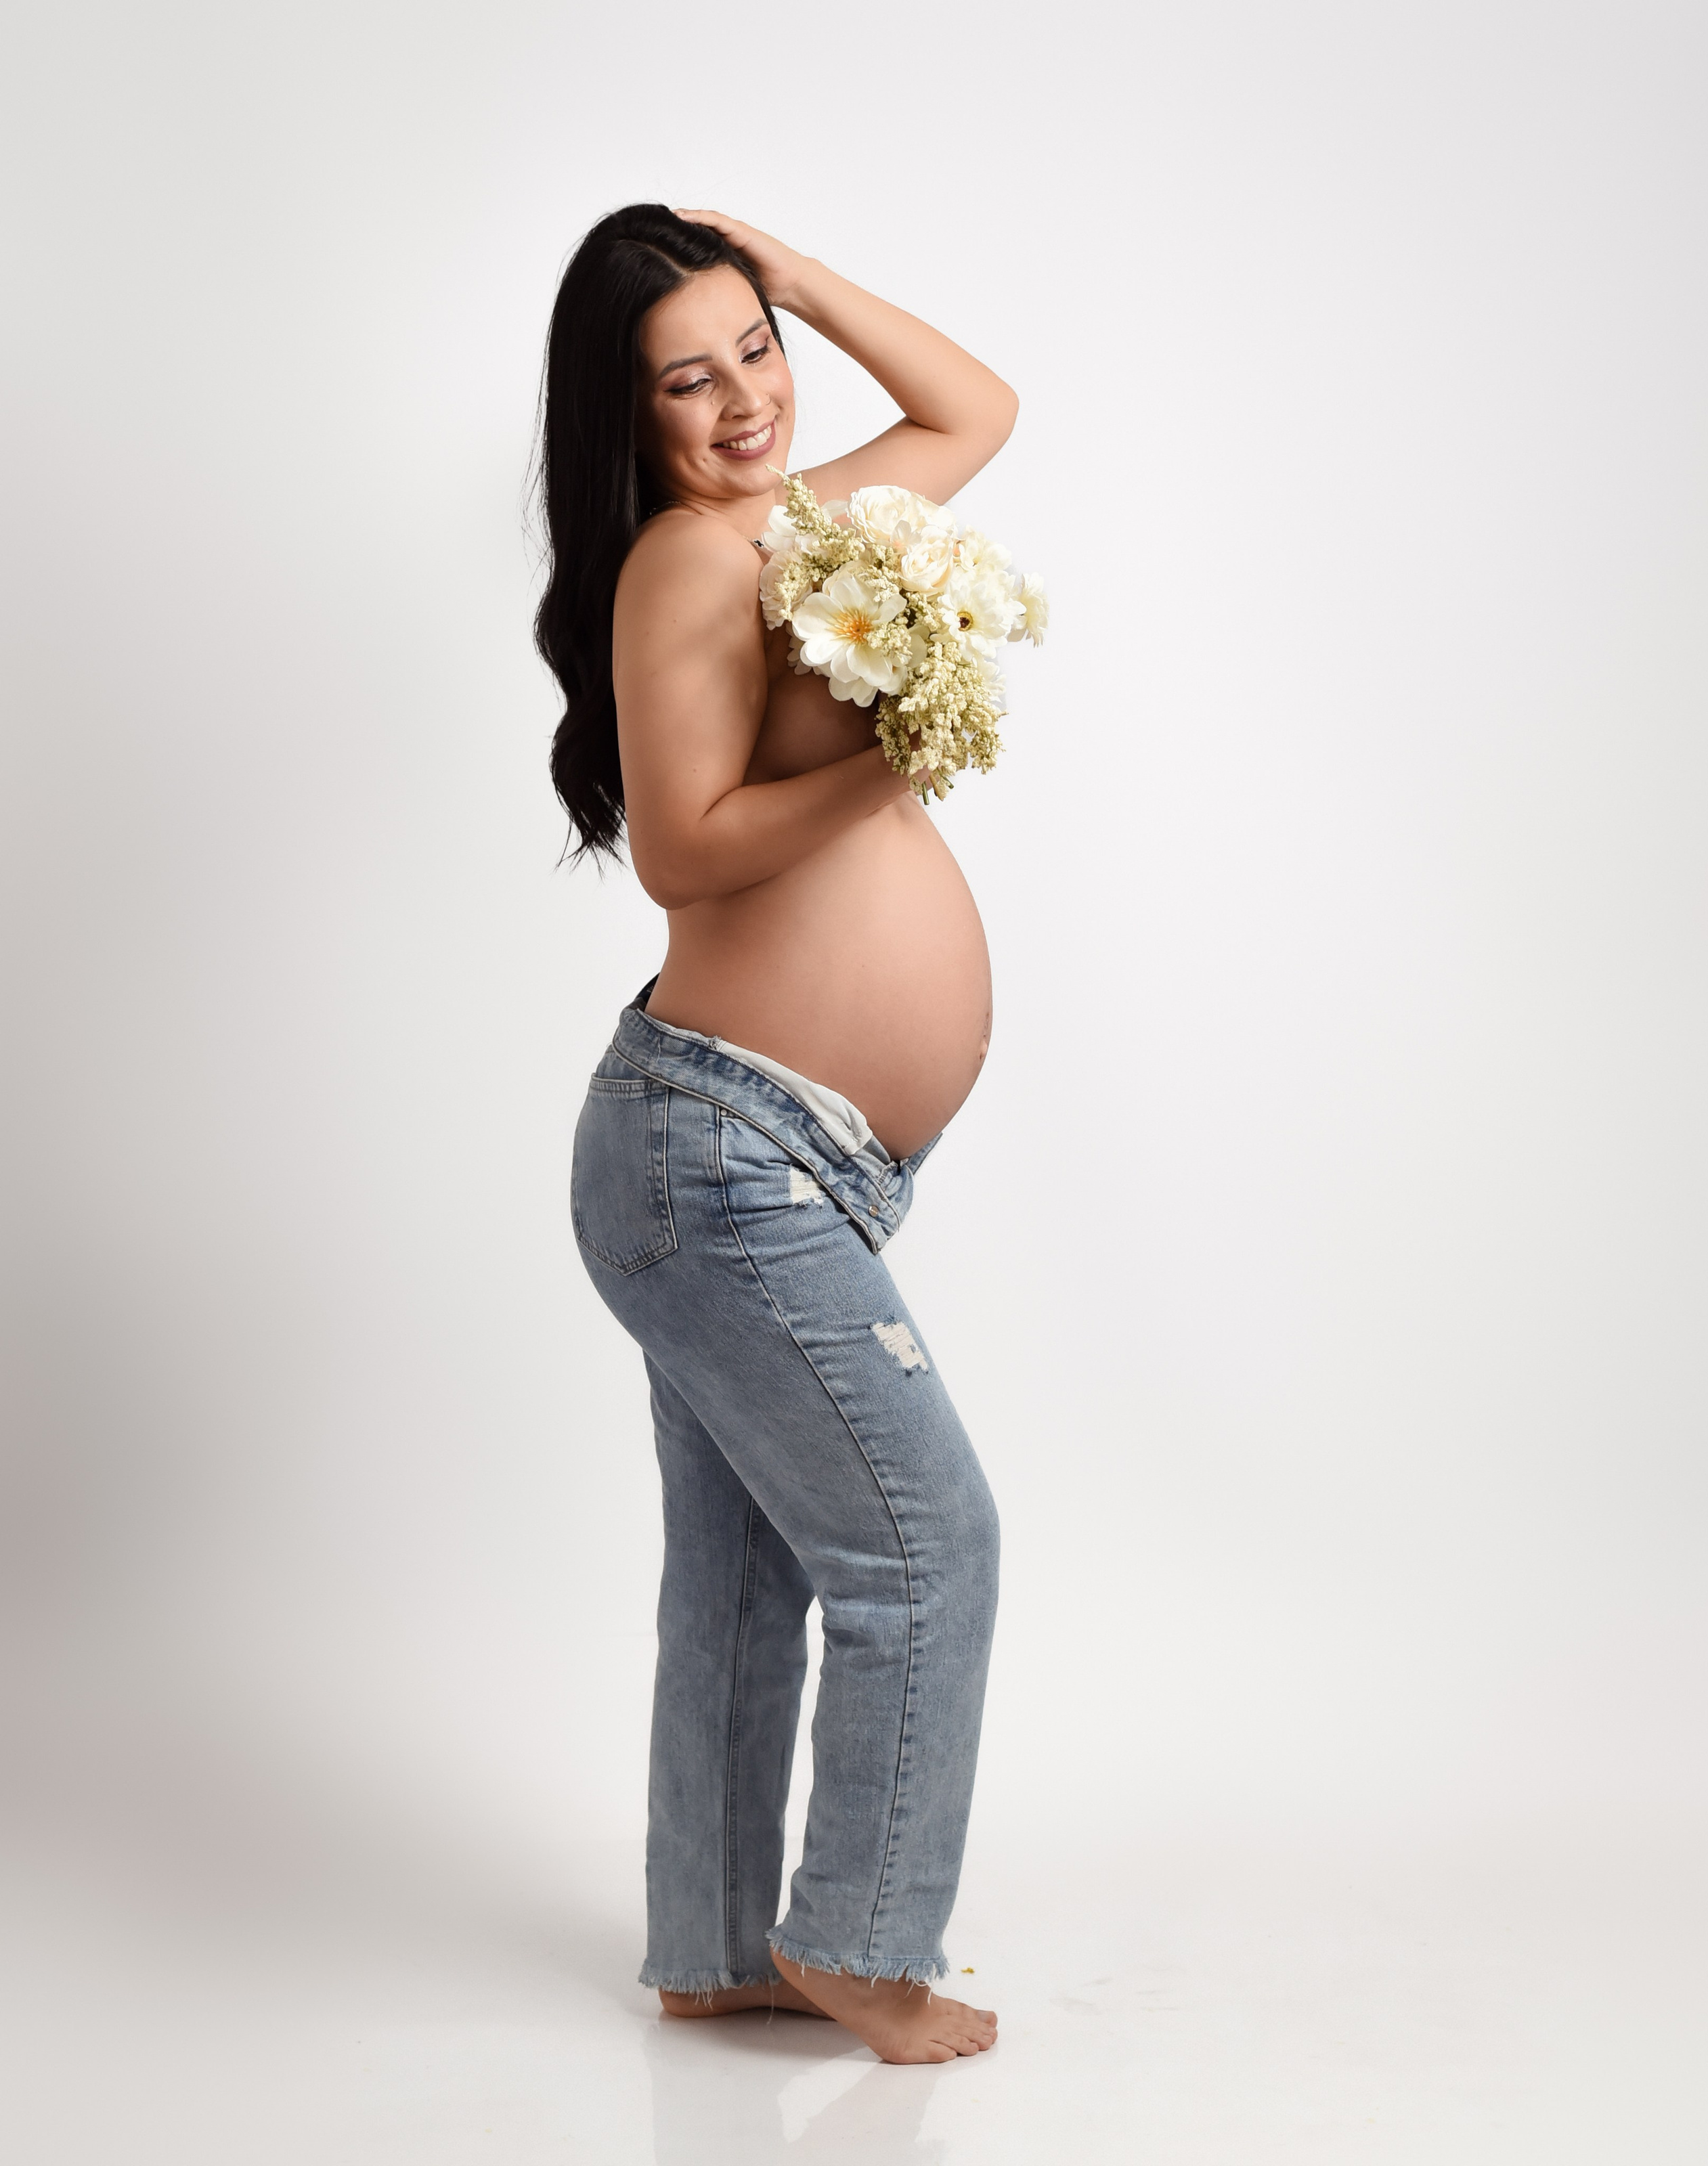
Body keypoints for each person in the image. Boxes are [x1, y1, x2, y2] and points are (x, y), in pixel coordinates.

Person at [536, 204, 1015, 2064]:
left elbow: (974, 412)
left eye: (757, 354)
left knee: (747, 1571)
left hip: (772, 1160)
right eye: (690, 376)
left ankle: (722, 1946)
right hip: (715, 1158)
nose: (744, 401)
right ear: (625, 410)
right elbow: (684, 847)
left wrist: (792, 274)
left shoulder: (799, 519)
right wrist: (904, 754)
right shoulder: (685, 566)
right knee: (927, 1544)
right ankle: (864, 1949)